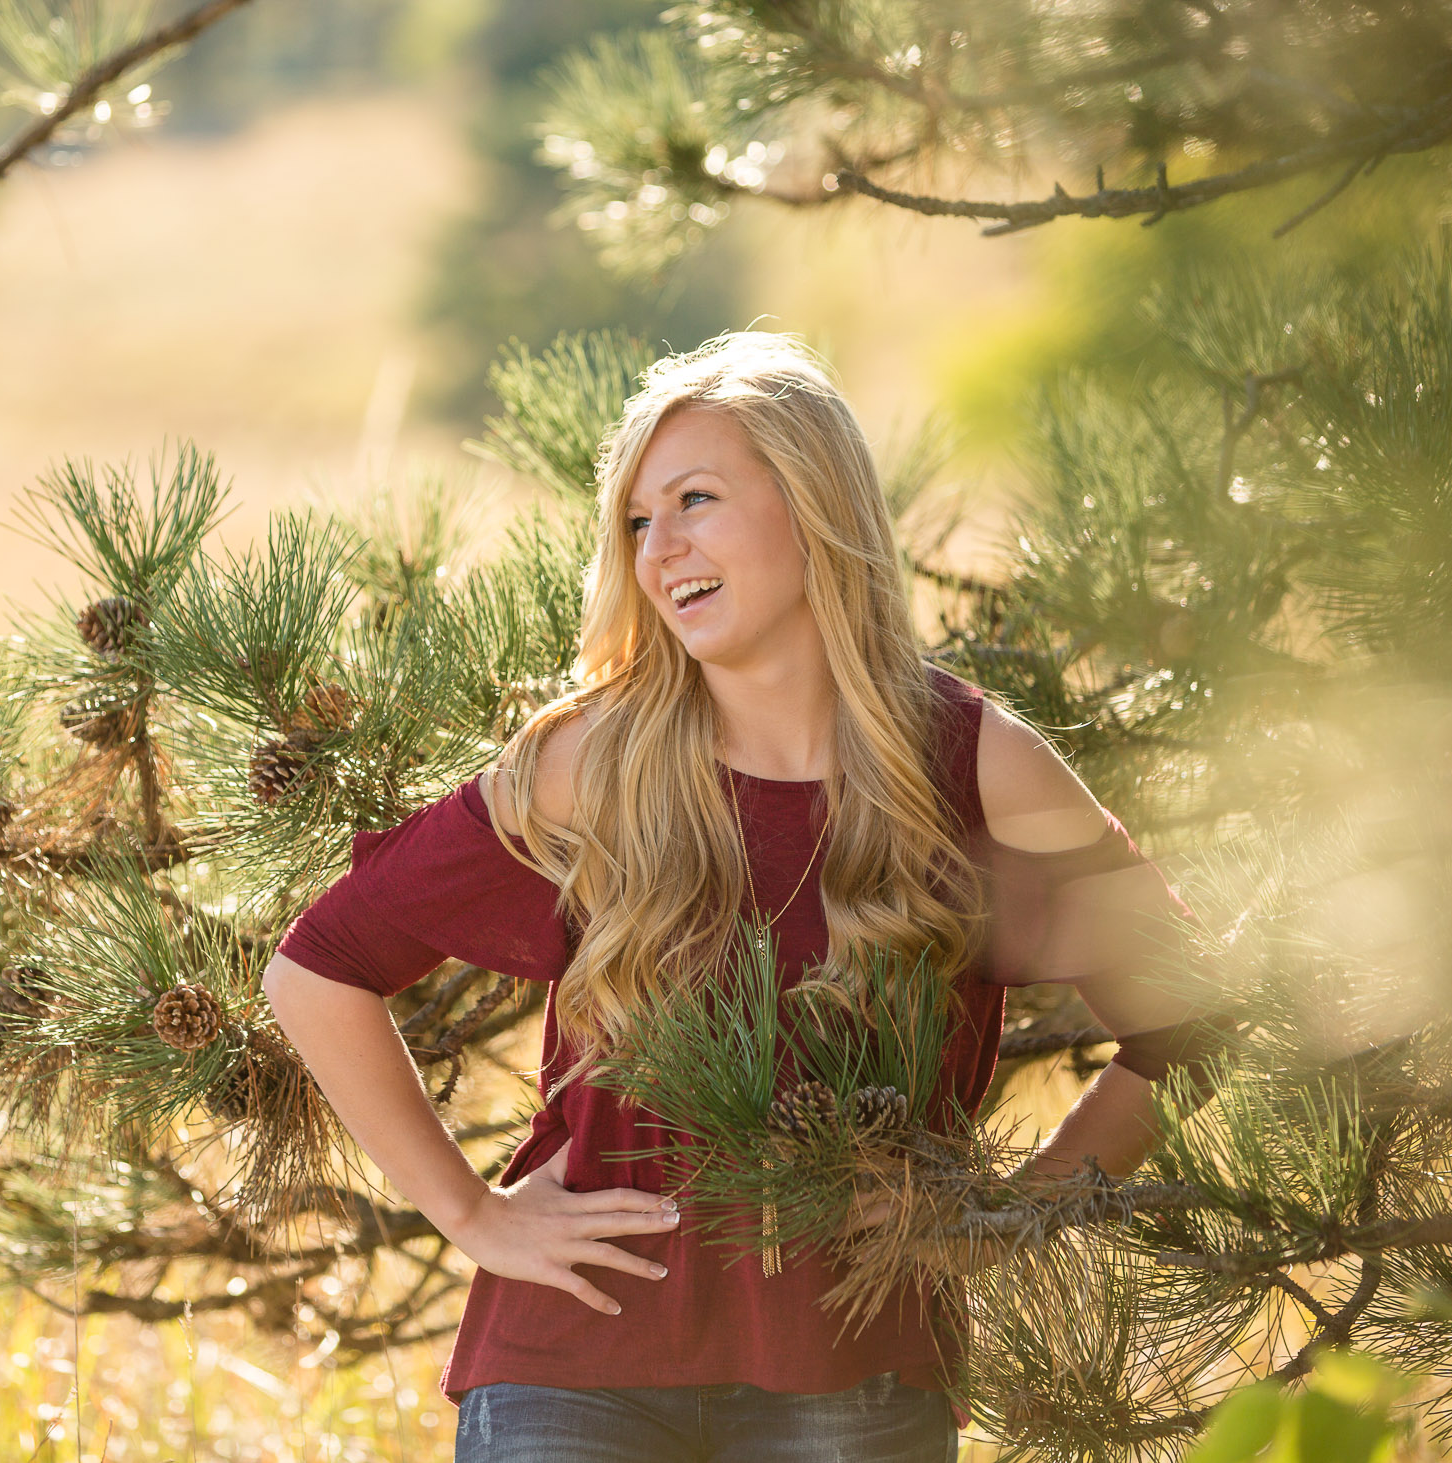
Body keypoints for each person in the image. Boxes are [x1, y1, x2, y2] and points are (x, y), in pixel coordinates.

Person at [261, 332, 1222, 1462]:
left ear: (813, 506)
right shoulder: (589, 764)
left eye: (696, 500)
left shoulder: (975, 766)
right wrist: (473, 1214)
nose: (659, 548)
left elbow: (1193, 1026)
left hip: (853, 1374)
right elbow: (317, 966)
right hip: (574, 1365)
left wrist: (1001, 1219)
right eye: (634, 521)